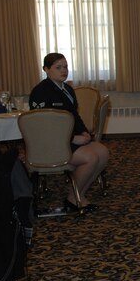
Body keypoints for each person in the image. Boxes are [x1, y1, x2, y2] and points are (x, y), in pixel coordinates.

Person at [29, 53, 109, 212]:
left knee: (103, 152)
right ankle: (73, 198)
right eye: (58, 67)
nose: (63, 71)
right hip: (51, 144)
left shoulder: (67, 89)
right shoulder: (40, 92)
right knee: (91, 158)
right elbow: (45, 127)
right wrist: (73, 139)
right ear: (46, 69)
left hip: (67, 140)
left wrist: (85, 133)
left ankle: (80, 194)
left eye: (65, 67)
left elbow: (74, 116)